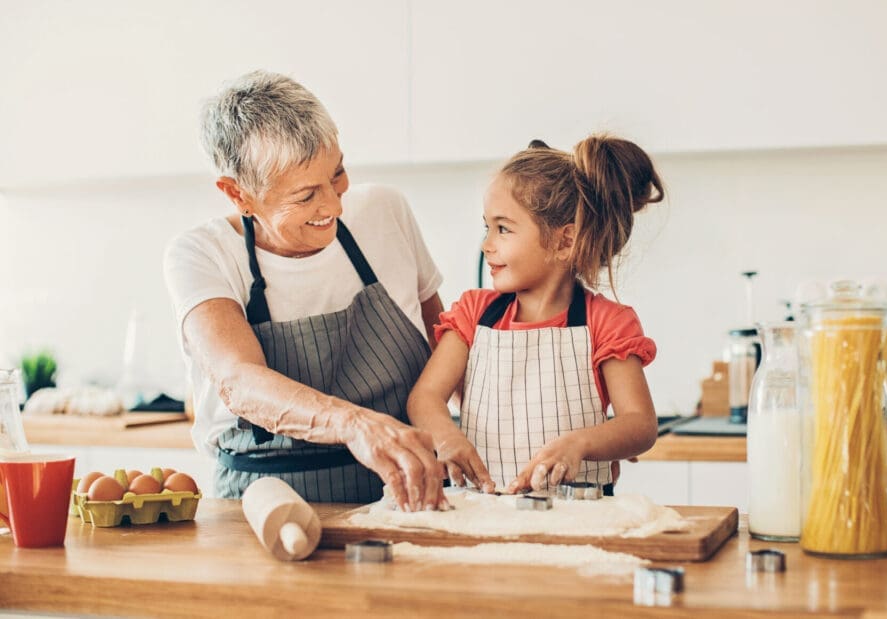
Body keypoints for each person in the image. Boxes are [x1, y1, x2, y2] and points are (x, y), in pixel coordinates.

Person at [164, 70, 446, 510]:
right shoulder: (201, 255)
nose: (333, 206)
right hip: (263, 505)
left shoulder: (385, 211)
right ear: (238, 194)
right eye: (306, 195)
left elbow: (444, 344)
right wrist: (354, 425)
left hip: (405, 494)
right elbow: (238, 380)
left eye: (338, 175)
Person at [407, 135, 664, 495]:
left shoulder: (606, 323)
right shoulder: (473, 314)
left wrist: (579, 444)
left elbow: (640, 424)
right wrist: (446, 437)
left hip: (579, 515)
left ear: (565, 242)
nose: (487, 244)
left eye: (503, 228)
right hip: (484, 510)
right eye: (487, 227)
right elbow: (425, 397)